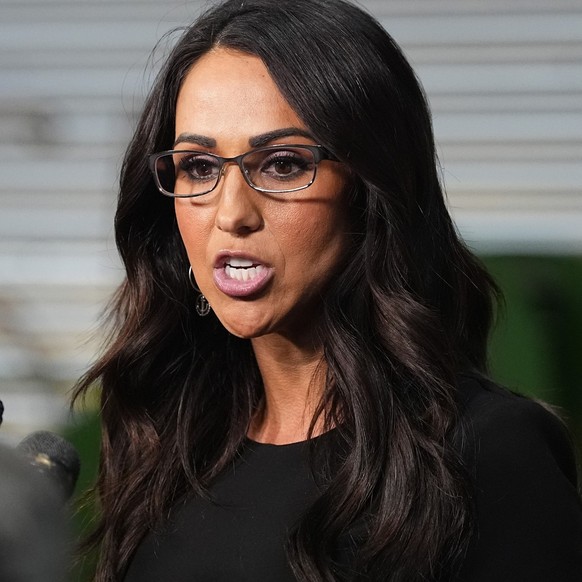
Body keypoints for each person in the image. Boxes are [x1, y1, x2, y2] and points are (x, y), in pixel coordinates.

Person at [74, 0, 582, 580]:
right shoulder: (165, 442)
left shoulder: (485, 451)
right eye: (199, 166)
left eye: (283, 164)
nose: (231, 213)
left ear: (370, 190)